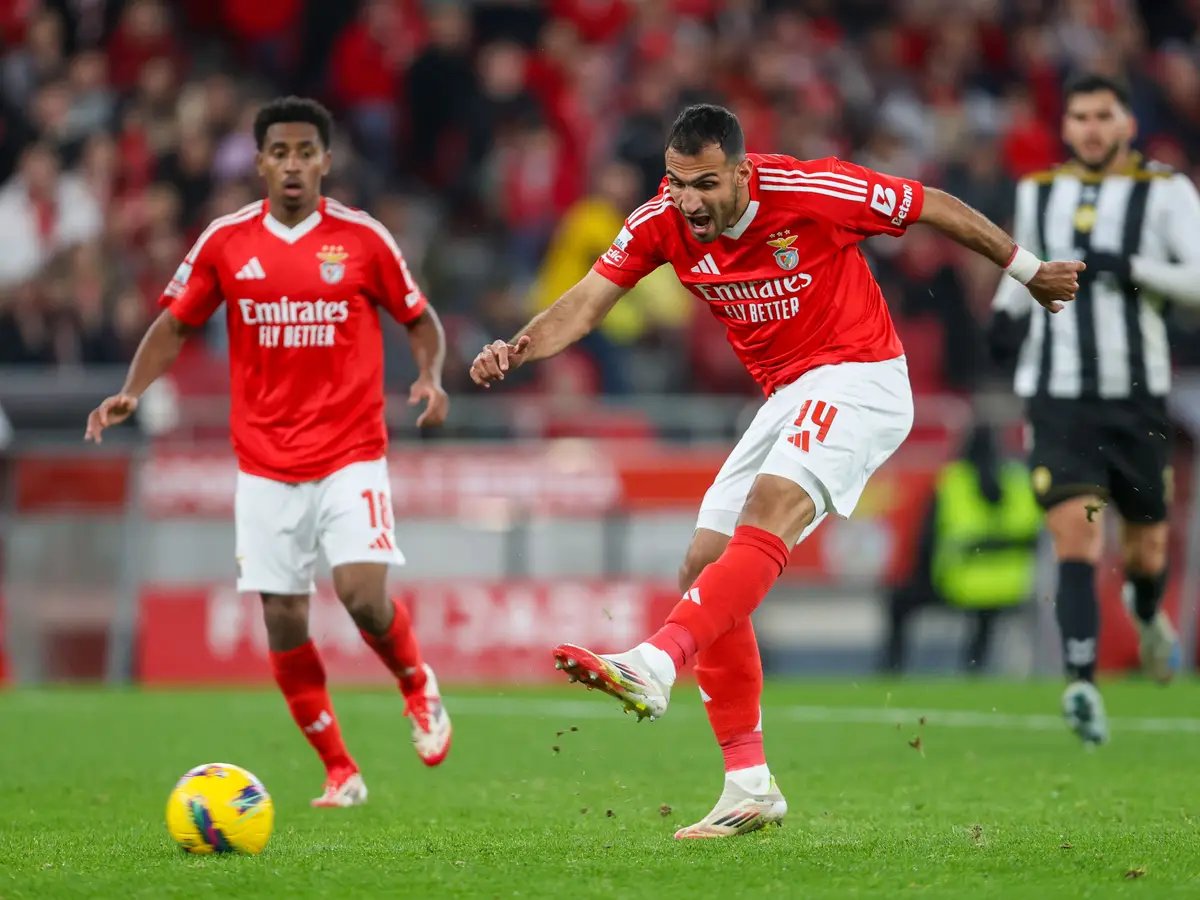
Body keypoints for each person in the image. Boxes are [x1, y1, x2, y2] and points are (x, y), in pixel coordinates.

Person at [469, 104, 1081, 839]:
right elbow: (588, 302)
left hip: (861, 375)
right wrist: (518, 347)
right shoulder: (660, 220)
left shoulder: (810, 190)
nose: (688, 200)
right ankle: (748, 784)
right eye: (676, 183)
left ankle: (656, 661)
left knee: (768, 509)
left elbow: (931, 205)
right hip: (788, 393)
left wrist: (1029, 272)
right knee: (703, 562)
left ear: (740, 172)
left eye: (703, 184)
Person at [84, 97, 452, 807]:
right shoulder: (226, 241)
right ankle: (340, 770)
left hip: (350, 451)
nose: (292, 164)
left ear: (325, 161)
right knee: (283, 620)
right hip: (264, 464)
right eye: (278, 152)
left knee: (361, 596)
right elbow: (175, 324)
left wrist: (431, 375)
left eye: (304, 152)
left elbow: (419, 316)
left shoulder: (363, 238)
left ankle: (416, 683)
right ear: (259, 162)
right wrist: (131, 391)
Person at [990, 73, 1200, 745]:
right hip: (1058, 398)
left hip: (1136, 398)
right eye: (1079, 116)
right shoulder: (1038, 190)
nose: (1091, 128)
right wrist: (1003, 313)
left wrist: (1133, 267)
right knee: (1075, 536)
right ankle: (1081, 682)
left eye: (1103, 116)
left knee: (1146, 550)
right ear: (1066, 126)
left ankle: (1146, 611)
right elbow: (1021, 269)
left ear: (1127, 124)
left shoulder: (1166, 191)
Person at [879, 423, 1042, 674]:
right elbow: (1035, 538)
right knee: (987, 611)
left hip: (960, 584)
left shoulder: (953, 482)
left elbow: (926, 542)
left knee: (899, 603)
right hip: (1012, 587)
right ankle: (975, 667)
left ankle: (892, 668)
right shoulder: (1019, 482)